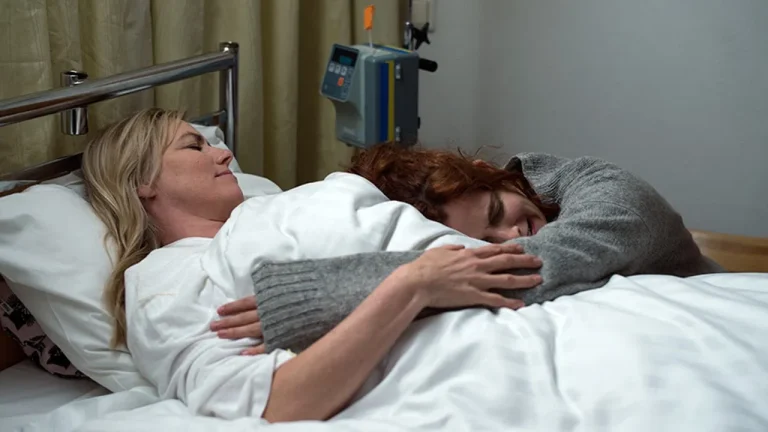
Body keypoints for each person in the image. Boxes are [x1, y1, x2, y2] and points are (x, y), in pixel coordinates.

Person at [81, 109, 543, 423]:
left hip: (522, 296)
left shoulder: (278, 206)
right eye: (193, 147)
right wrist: (411, 285)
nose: (223, 154)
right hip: (473, 359)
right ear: (142, 181)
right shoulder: (163, 283)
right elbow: (277, 400)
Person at [213, 143, 724, 353]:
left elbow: (530, 266)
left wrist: (315, 298)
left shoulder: (610, 194)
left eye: (499, 213)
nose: (515, 237)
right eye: (484, 240)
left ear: (492, 174)